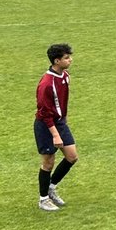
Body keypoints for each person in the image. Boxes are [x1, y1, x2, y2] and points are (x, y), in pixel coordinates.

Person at [34, 44, 79, 213]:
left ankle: (51, 187)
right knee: (48, 162)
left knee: (72, 156)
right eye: (67, 58)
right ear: (56, 61)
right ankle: (43, 199)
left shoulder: (65, 76)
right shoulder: (46, 84)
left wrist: (63, 120)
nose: (70, 60)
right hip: (46, 125)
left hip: (59, 122)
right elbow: (44, 113)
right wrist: (55, 135)